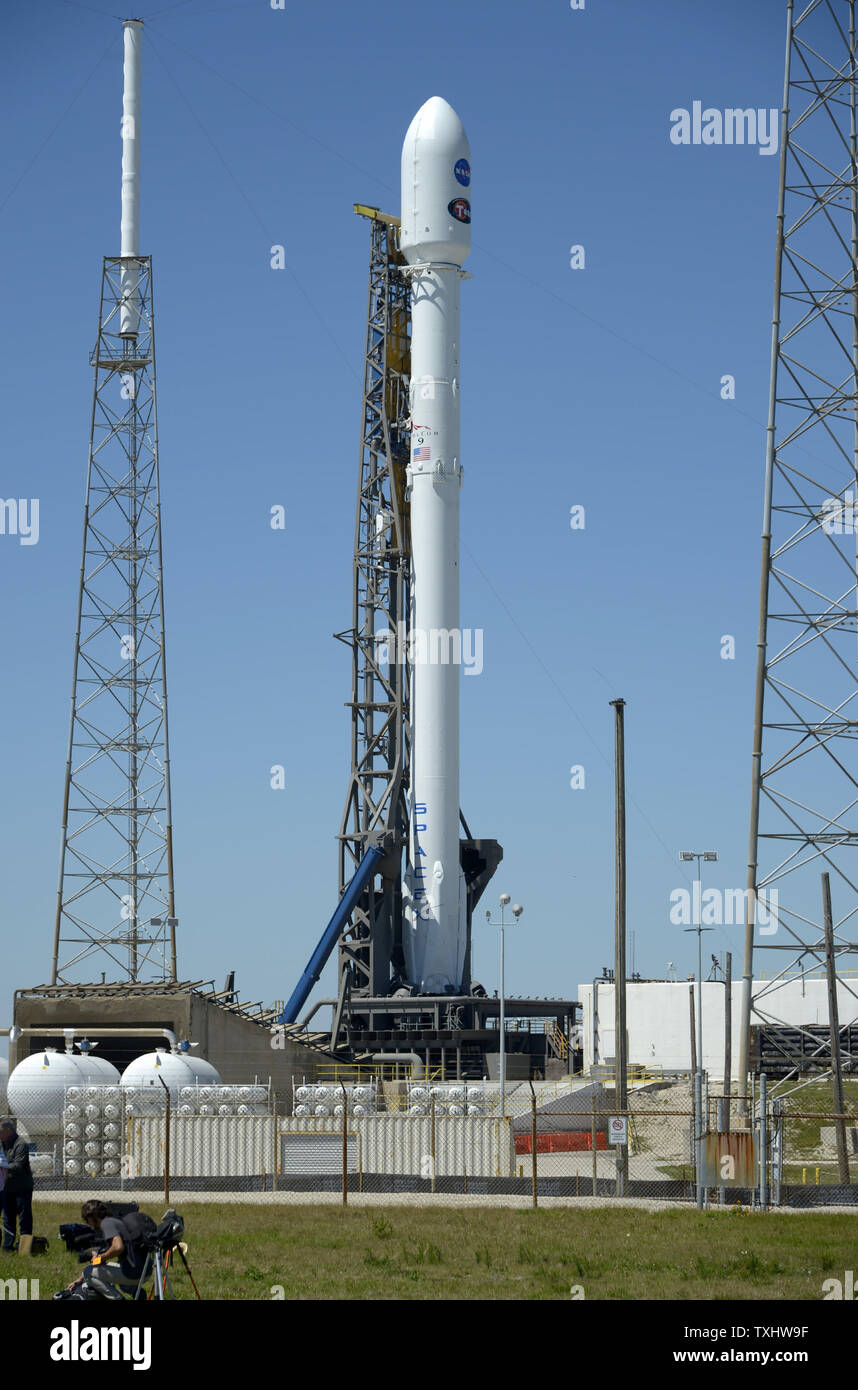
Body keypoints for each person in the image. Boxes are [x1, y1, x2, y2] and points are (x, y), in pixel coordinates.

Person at [66, 1200, 147, 1301]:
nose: (87, 1223)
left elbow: (118, 1247)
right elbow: (101, 1261)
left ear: (93, 1217)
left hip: (135, 1273)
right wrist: (78, 1281)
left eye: (87, 1220)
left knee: (88, 1272)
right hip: (143, 1270)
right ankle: (138, 1293)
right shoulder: (114, 1220)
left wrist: (100, 1257)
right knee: (105, 1266)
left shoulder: (107, 1224)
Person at [0, 1121, 33, 1253]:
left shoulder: (21, 1144)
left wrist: (3, 1166)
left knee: (24, 1219)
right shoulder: (2, 1144)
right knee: (8, 1218)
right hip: (7, 1187)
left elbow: (18, 1165)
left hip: (22, 1187)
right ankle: (7, 1247)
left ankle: (24, 1249)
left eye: (0, 1131)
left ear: (9, 1130)